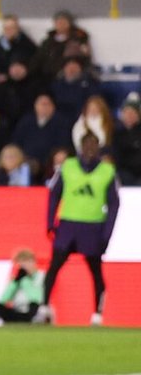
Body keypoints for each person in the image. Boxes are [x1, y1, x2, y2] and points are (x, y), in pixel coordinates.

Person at [43, 132, 119, 325]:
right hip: (68, 225)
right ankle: (43, 307)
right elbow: (54, 195)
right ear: (80, 147)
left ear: (99, 148)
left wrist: (107, 234)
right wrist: (50, 223)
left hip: (92, 226)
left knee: (95, 271)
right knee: (54, 267)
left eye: (94, 145)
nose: (90, 150)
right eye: (87, 145)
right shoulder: (67, 167)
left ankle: (97, 314)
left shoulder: (107, 172)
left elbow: (114, 205)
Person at [0, 249, 45, 325]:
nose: (23, 265)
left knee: (34, 306)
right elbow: (3, 299)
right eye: (21, 263)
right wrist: (15, 282)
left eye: (26, 261)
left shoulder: (42, 276)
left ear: (33, 262)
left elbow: (36, 298)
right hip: (17, 311)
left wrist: (24, 280)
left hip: (32, 312)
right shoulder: (17, 278)